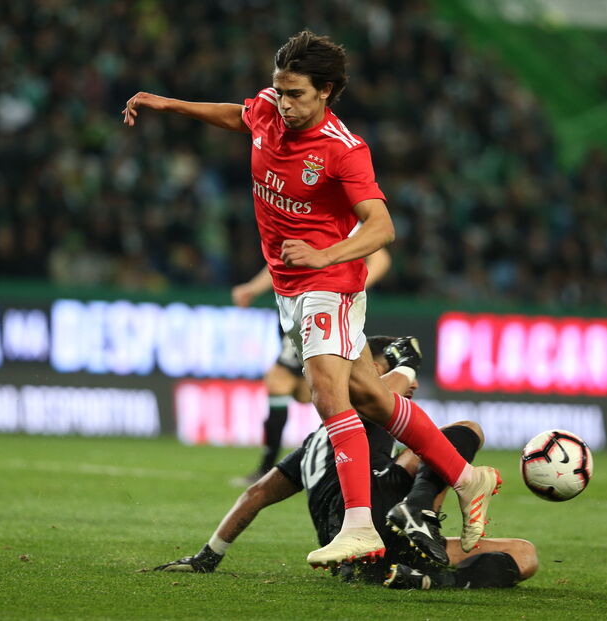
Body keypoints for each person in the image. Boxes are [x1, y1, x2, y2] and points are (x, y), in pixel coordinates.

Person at [122, 29, 501, 568]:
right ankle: (470, 478)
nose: (284, 101)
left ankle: (359, 526)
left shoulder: (344, 150)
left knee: (328, 395)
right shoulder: (269, 112)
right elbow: (239, 115)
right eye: (279, 90)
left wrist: (326, 256)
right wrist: (169, 104)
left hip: (331, 283)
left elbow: (383, 227)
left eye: (296, 93)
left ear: (326, 91)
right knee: (370, 397)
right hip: (289, 287)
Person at [153, 336, 538, 589]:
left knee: (524, 554)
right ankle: (420, 511)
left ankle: (420, 577)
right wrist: (404, 367)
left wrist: (210, 554)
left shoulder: (311, 445)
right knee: (458, 432)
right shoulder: (362, 408)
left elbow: (255, 494)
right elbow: (385, 395)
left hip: (350, 549)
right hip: (372, 510)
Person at [230, 248, 391, 486]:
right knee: (285, 384)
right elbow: (280, 262)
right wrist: (253, 288)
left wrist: (352, 284)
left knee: (342, 392)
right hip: (298, 304)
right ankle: (268, 469)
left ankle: (367, 462)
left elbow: (380, 257)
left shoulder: (336, 218)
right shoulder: (298, 219)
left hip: (324, 308)